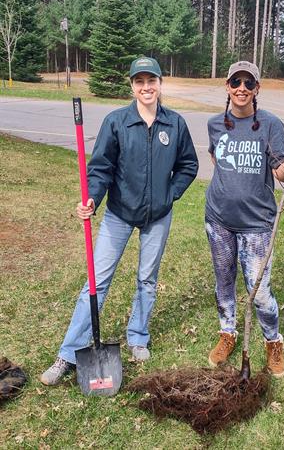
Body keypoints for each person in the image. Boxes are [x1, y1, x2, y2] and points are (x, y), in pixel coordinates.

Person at [41, 57, 198, 385]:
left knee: (147, 279)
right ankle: (69, 353)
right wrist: (92, 198)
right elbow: (100, 169)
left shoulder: (175, 124)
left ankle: (138, 336)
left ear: (160, 83)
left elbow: (188, 165)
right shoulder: (117, 122)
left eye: (151, 80)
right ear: (131, 86)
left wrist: (170, 195)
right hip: (119, 213)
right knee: (96, 282)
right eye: (139, 82)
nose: (146, 87)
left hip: (158, 216)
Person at [206, 61, 284, 378]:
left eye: (248, 83)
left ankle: (272, 342)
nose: (241, 88)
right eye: (235, 81)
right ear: (227, 86)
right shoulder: (214, 124)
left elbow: (280, 173)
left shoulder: (270, 124)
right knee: (224, 282)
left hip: (257, 225)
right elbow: (216, 159)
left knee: (260, 292)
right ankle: (227, 332)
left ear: (256, 89)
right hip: (219, 219)